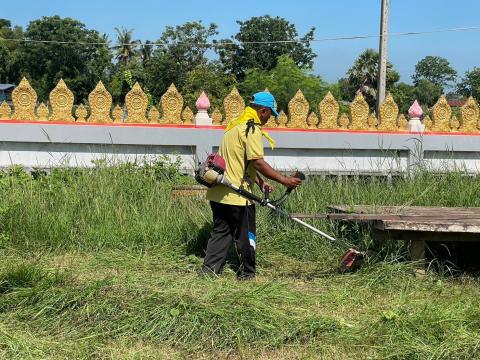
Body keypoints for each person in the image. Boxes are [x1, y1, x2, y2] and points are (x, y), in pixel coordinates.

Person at [200, 91, 302, 280]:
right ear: (262, 111)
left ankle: (208, 272)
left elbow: (238, 162)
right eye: (270, 114)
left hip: (219, 192)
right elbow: (257, 162)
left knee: (221, 233)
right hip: (239, 197)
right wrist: (285, 180)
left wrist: (261, 181)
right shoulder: (251, 128)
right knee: (246, 237)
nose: (269, 119)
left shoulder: (233, 127)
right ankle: (247, 275)